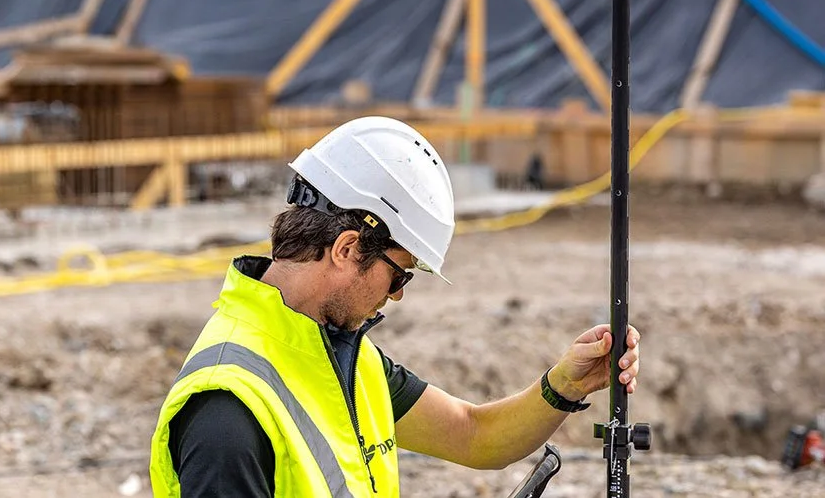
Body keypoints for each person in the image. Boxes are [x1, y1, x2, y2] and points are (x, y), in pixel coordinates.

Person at [149, 116, 641, 497]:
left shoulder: (343, 356)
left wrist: (566, 384)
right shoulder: (228, 408)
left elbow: (474, 435)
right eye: (399, 273)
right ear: (345, 250)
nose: (399, 293)